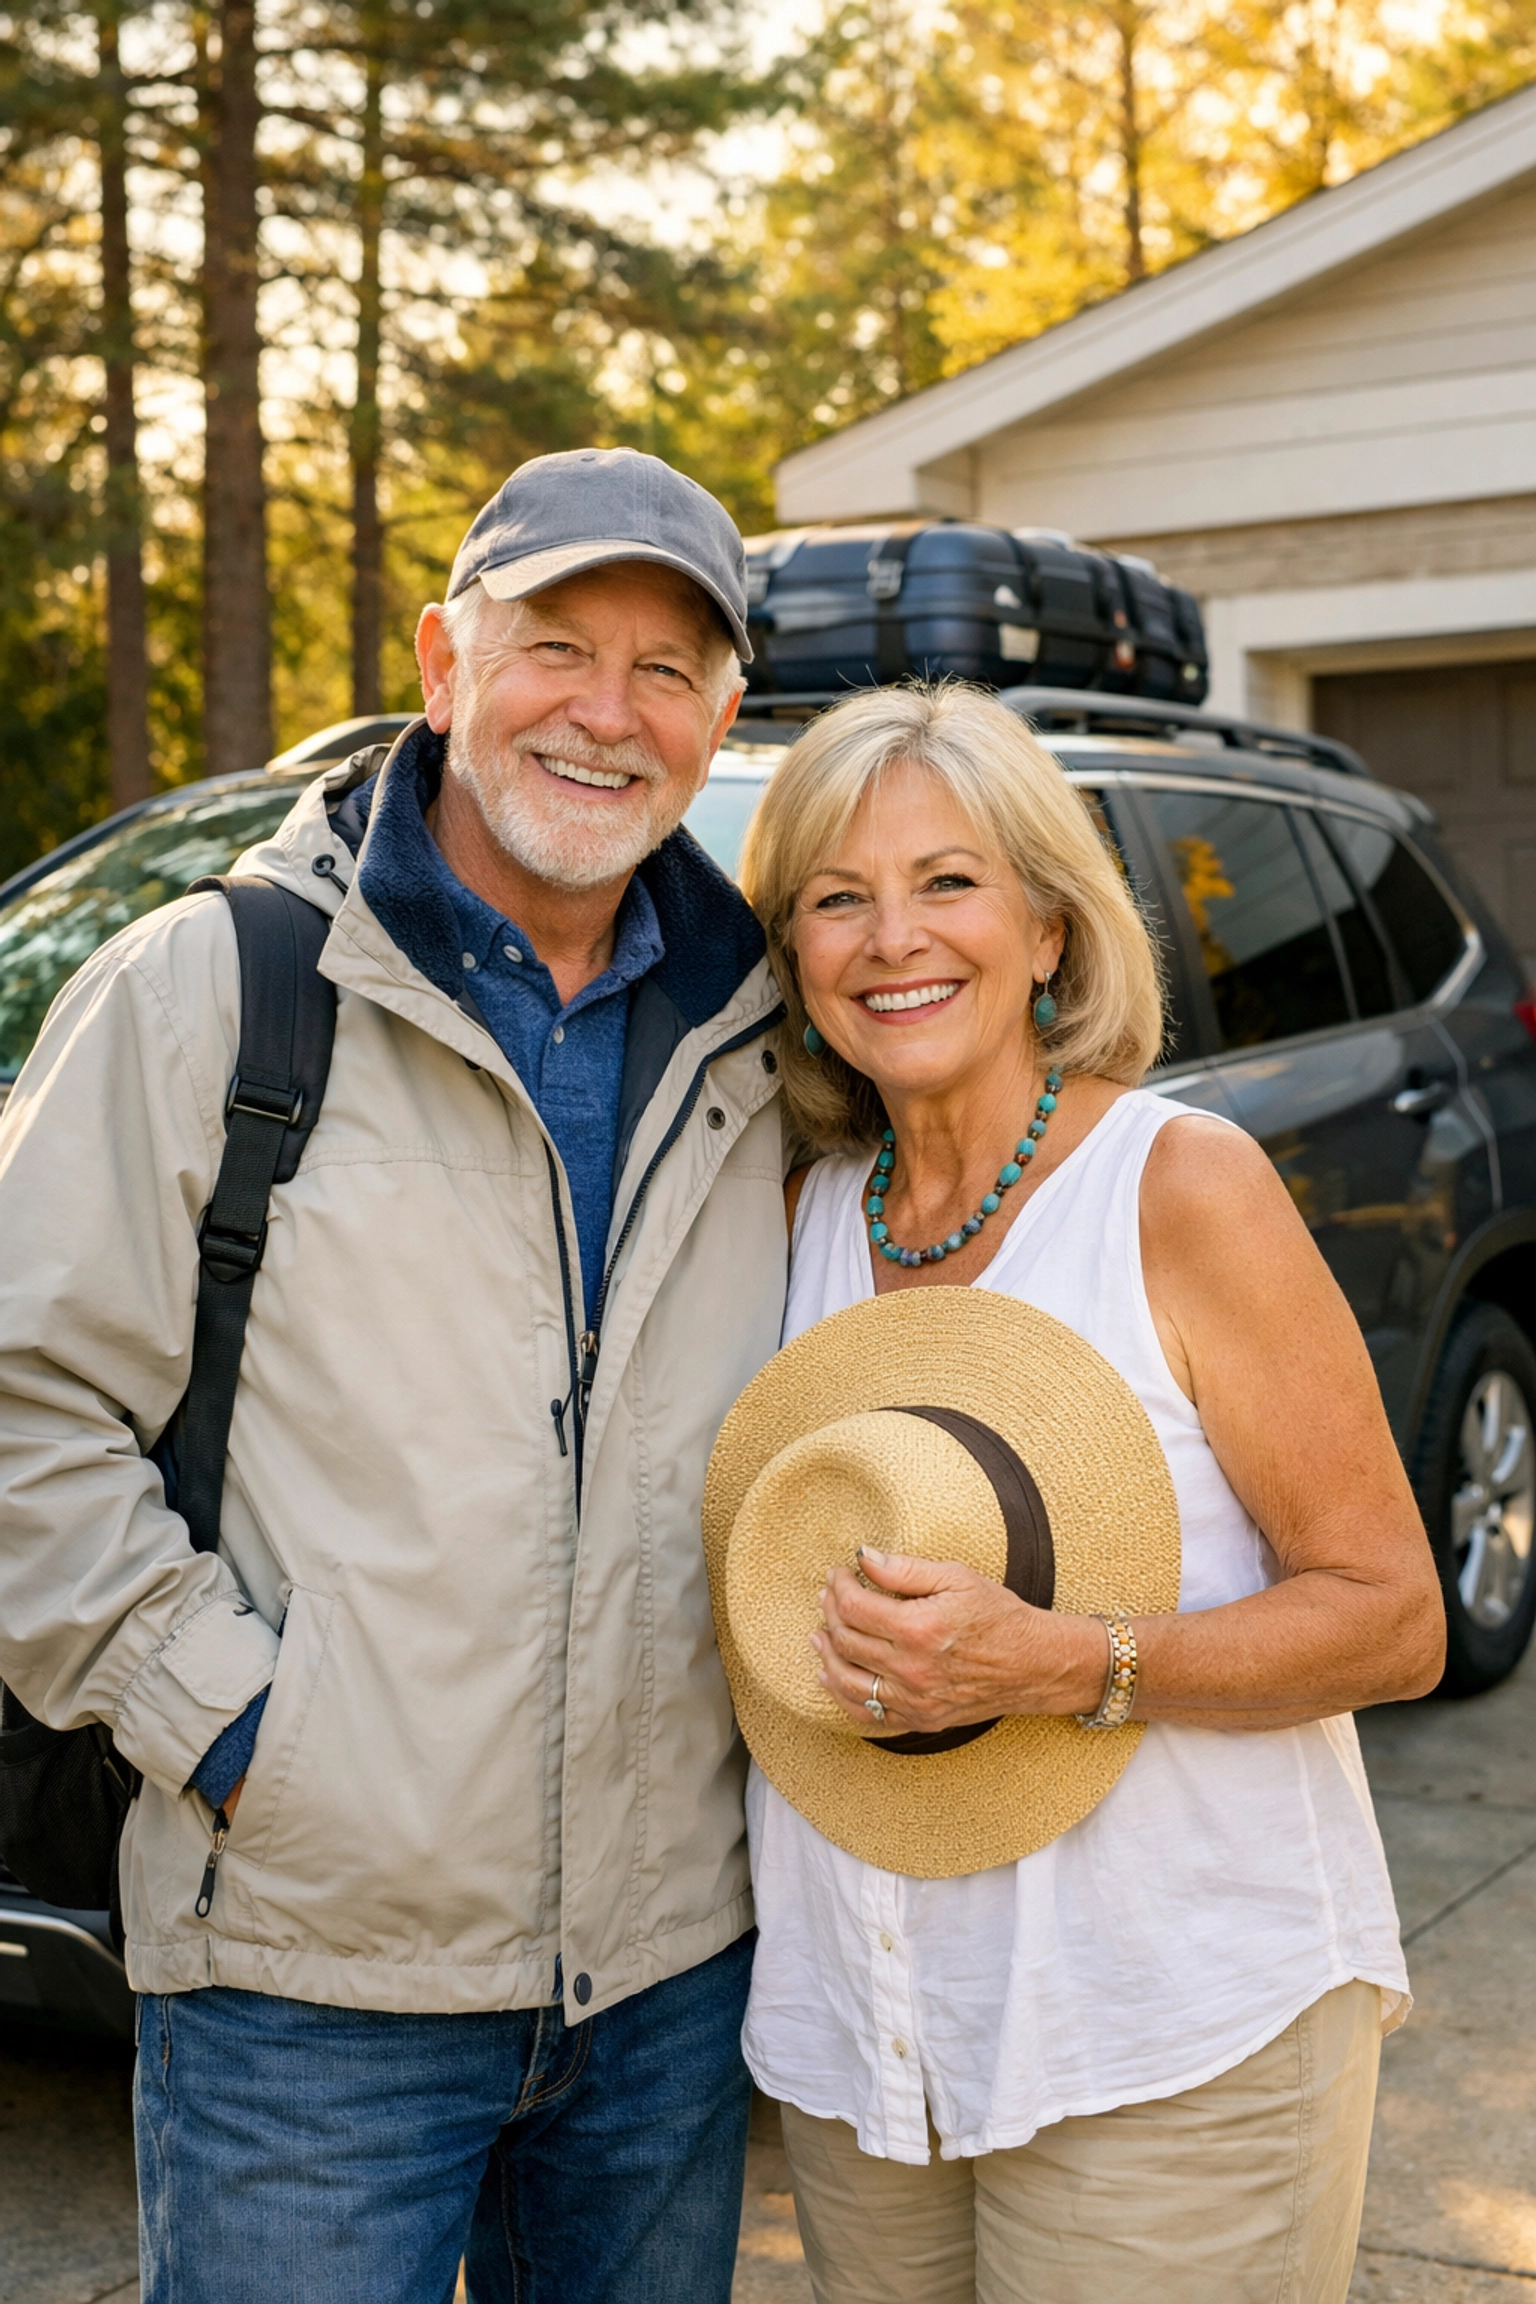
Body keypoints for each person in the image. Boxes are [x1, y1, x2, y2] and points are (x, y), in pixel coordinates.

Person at [0, 448, 790, 2304]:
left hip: (672, 1985)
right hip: (309, 1979)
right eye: (556, 647)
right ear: (443, 659)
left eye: (668, 669)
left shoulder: (764, 1029)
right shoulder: (215, 985)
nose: (608, 714)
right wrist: (241, 1735)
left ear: (723, 716)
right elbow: (22, 1407)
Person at [732, 680, 1445, 2304]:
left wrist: (1072, 1663)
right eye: (835, 899)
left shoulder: (1179, 1188)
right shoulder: (800, 1223)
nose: (892, 938)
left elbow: (1393, 1618)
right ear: (794, 961)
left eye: (949, 882)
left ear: (1051, 928)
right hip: (871, 2047)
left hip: (1167, 2030)